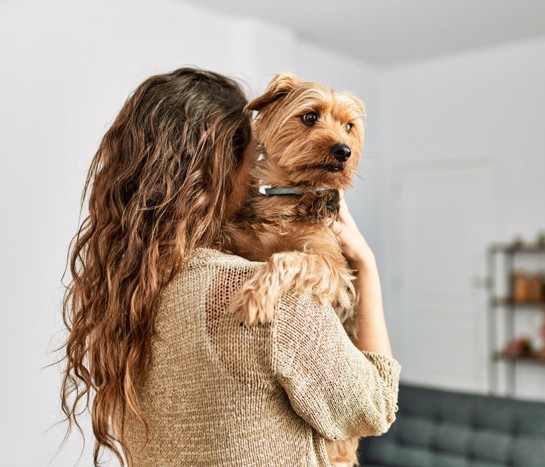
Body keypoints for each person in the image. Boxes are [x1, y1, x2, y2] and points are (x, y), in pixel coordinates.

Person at [58, 67, 400, 466]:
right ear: (222, 164)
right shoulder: (276, 301)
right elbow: (376, 408)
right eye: (249, 150)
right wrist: (368, 263)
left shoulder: (130, 290)